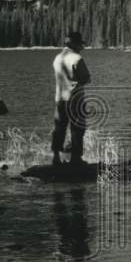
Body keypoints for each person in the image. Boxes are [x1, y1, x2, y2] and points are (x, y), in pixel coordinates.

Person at [52, 31, 91, 167]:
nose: (81, 47)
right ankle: (76, 159)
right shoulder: (77, 59)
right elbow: (86, 79)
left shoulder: (57, 58)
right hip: (75, 99)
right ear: (74, 44)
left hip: (60, 99)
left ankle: (56, 157)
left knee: (59, 128)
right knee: (77, 129)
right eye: (80, 45)